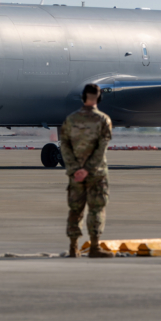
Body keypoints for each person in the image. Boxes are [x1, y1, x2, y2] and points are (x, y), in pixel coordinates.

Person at [59, 83, 113, 258]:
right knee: (96, 209)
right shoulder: (103, 120)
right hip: (96, 174)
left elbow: (64, 146)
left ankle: (73, 248)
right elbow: (101, 148)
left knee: (75, 210)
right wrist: (88, 169)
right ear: (99, 98)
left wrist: (76, 169)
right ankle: (95, 247)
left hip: (75, 175)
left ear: (83, 97)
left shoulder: (71, 120)